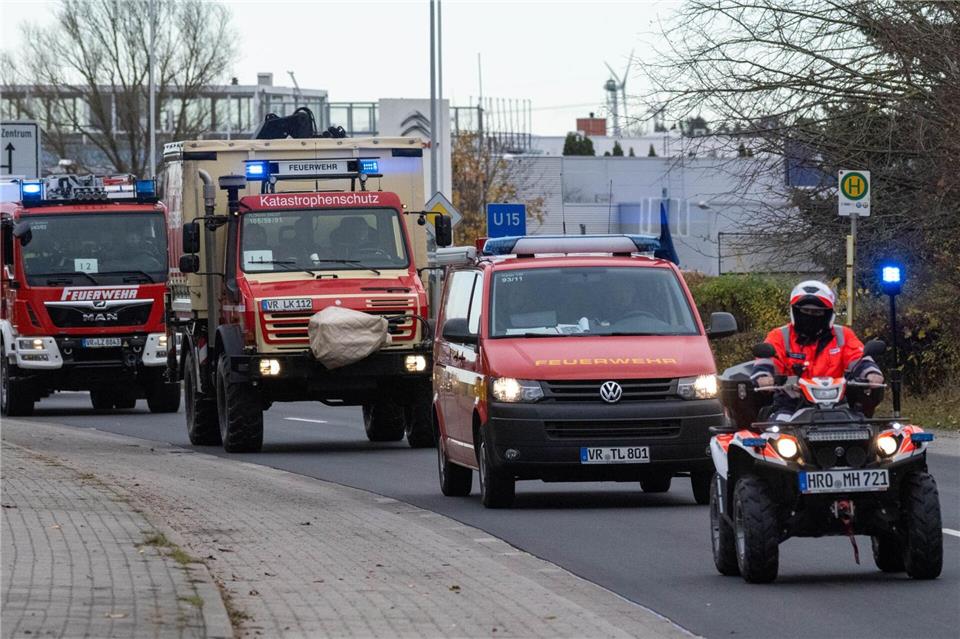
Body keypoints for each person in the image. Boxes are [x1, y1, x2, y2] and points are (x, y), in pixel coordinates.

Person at [752, 280, 883, 414]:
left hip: (838, 405)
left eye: (817, 312)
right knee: (778, 432)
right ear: (795, 311)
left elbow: (858, 358)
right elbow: (766, 361)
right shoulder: (779, 336)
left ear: (828, 314)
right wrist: (764, 377)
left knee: (862, 429)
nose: (810, 316)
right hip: (790, 405)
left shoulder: (843, 335)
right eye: (805, 311)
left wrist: (871, 373)